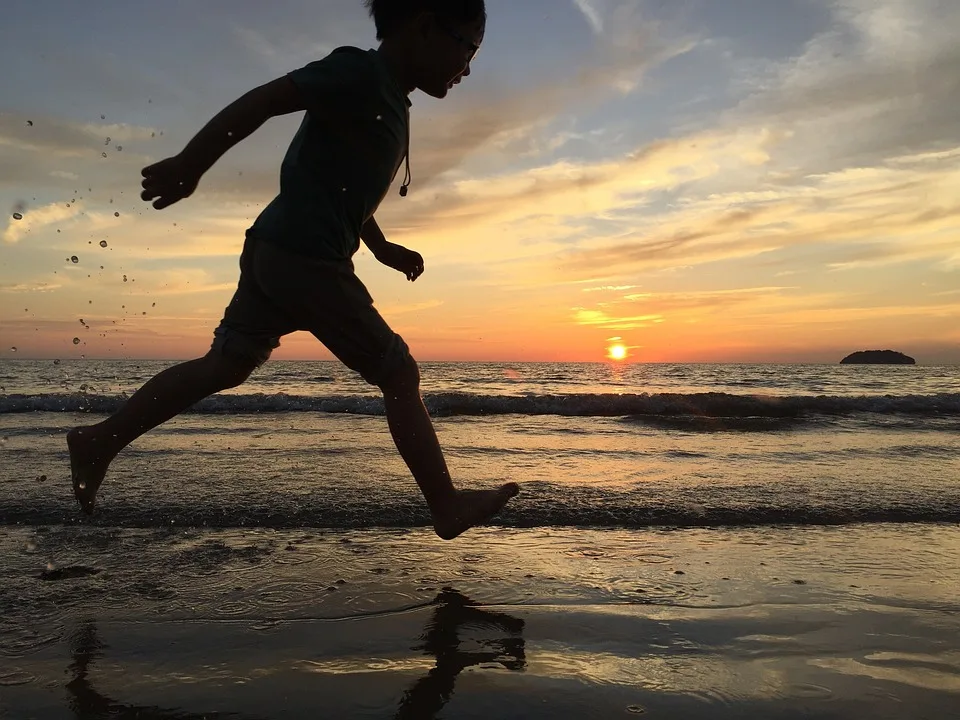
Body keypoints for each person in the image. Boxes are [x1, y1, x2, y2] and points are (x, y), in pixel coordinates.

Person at [67, 0, 518, 540]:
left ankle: (100, 441)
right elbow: (265, 100)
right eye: (467, 49)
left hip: (276, 250)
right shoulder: (358, 73)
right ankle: (445, 504)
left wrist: (378, 246)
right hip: (307, 259)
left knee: (227, 365)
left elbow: (342, 189)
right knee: (398, 374)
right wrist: (192, 164)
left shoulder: (389, 99)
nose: (467, 68)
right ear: (423, 25)